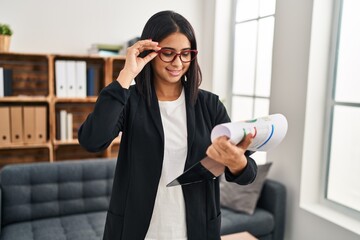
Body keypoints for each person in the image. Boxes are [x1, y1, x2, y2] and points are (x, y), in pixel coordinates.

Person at [78, 10, 257, 240]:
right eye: (168, 53)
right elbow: (92, 140)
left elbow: (247, 174)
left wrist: (237, 162)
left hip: (195, 231)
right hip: (138, 231)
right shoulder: (130, 101)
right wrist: (126, 76)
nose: (178, 62)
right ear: (150, 52)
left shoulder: (210, 105)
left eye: (185, 54)